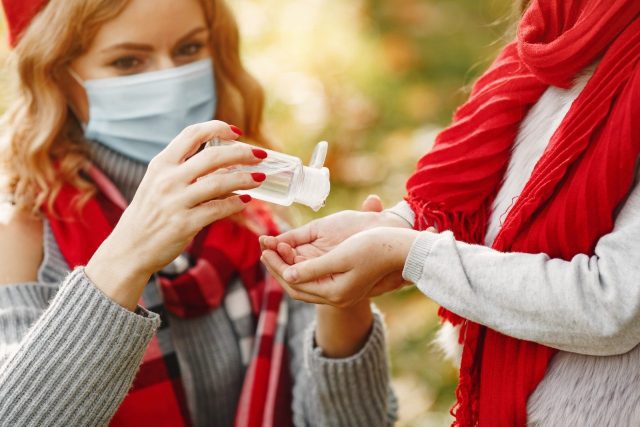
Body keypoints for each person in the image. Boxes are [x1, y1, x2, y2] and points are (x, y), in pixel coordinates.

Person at [0, 0, 397, 425]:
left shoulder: (251, 210)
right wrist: (128, 255)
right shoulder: (22, 229)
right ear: (57, 74)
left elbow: (356, 421)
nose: (169, 81)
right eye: (128, 61)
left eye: (189, 50)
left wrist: (342, 300)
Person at [261, 0, 640, 425]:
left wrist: (413, 254)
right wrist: (396, 224)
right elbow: (476, 190)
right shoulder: (555, 28)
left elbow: (613, 302)